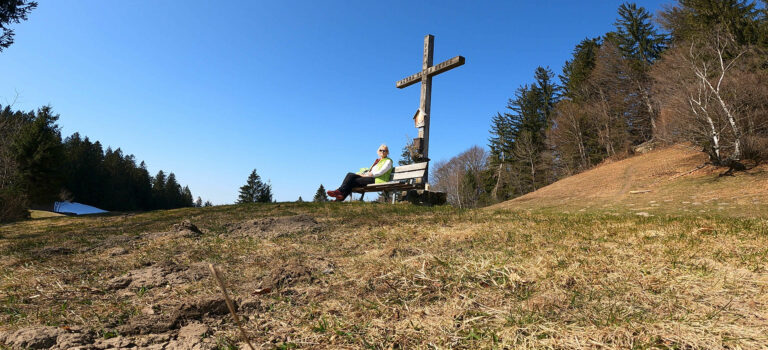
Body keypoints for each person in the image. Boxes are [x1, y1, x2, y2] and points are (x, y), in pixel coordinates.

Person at [327, 144, 393, 201]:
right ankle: (340, 197)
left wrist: (366, 175)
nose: (382, 152)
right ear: (378, 152)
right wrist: (363, 174)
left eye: (385, 150)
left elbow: (381, 172)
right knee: (351, 178)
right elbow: (370, 171)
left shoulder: (388, 161)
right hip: (371, 177)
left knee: (350, 177)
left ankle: (339, 192)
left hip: (377, 179)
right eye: (381, 150)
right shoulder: (377, 161)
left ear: (387, 152)